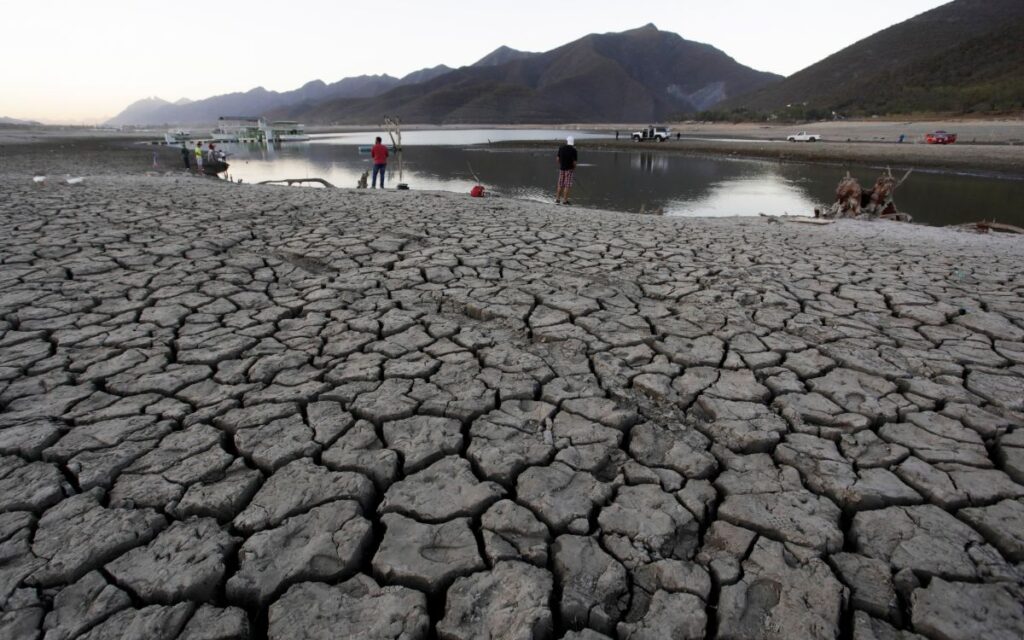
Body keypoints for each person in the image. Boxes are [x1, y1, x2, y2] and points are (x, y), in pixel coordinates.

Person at [555, 136, 577, 205]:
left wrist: (561, 165)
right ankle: (565, 201)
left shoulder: (561, 148)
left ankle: (557, 199)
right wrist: (573, 169)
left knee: (560, 184)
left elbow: (557, 159)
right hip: (569, 170)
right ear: (572, 142)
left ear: (567, 141)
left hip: (562, 169)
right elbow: (574, 162)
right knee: (567, 185)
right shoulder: (574, 150)